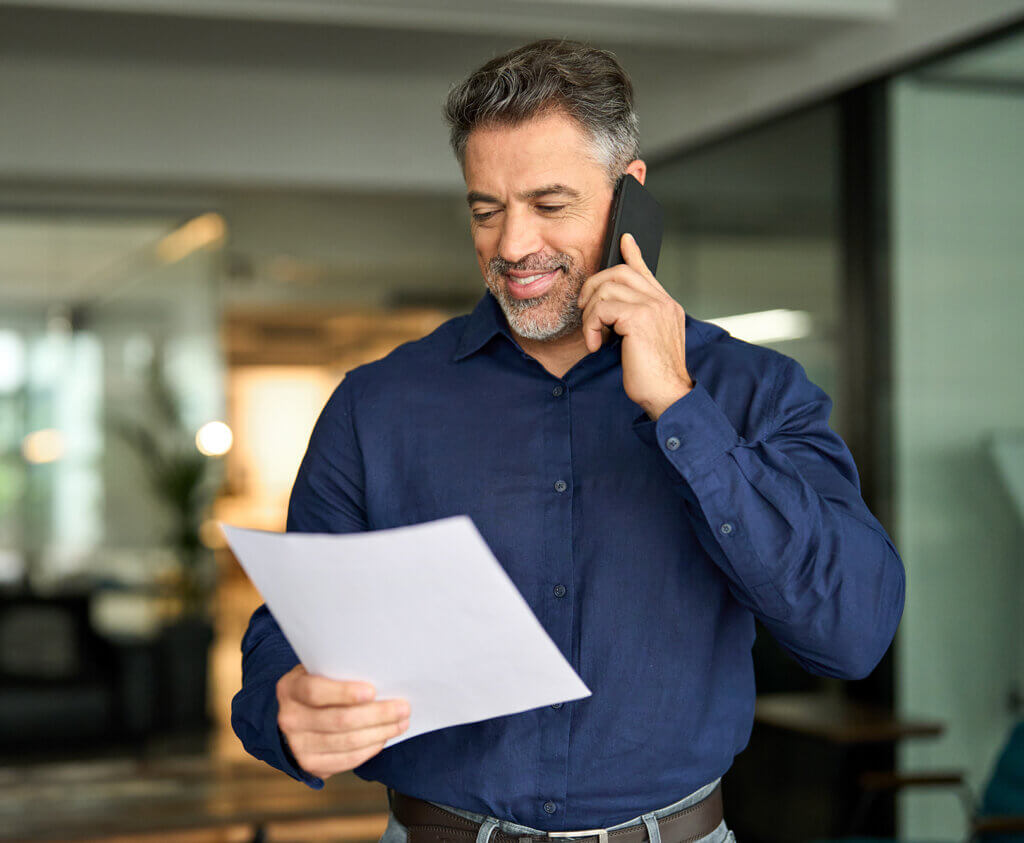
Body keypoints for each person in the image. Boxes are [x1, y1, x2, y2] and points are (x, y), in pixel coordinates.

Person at [232, 39, 905, 843]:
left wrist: (680, 410)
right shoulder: (376, 405)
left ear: (630, 196)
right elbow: (292, 624)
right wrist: (287, 705)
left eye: (550, 205)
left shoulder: (756, 393)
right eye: (487, 209)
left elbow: (851, 630)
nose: (513, 246)